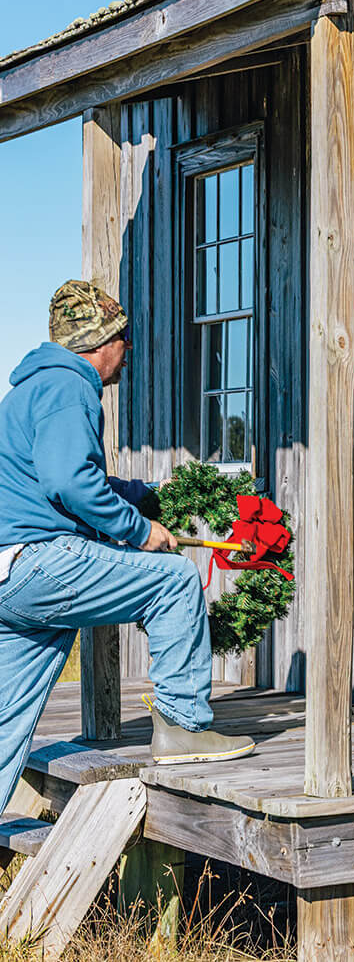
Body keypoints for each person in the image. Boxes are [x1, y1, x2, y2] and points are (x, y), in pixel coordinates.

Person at [0, 281, 254, 814]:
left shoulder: (31, 390)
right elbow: (70, 482)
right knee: (174, 579)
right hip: (42, 559)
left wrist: (147, 495)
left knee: (7, 720)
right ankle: (183, 727)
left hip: (10, 577)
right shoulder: (70, 386)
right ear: (99, 343)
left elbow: (67, 478)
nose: (128, 348)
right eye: (123, 337)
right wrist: (140, 531)